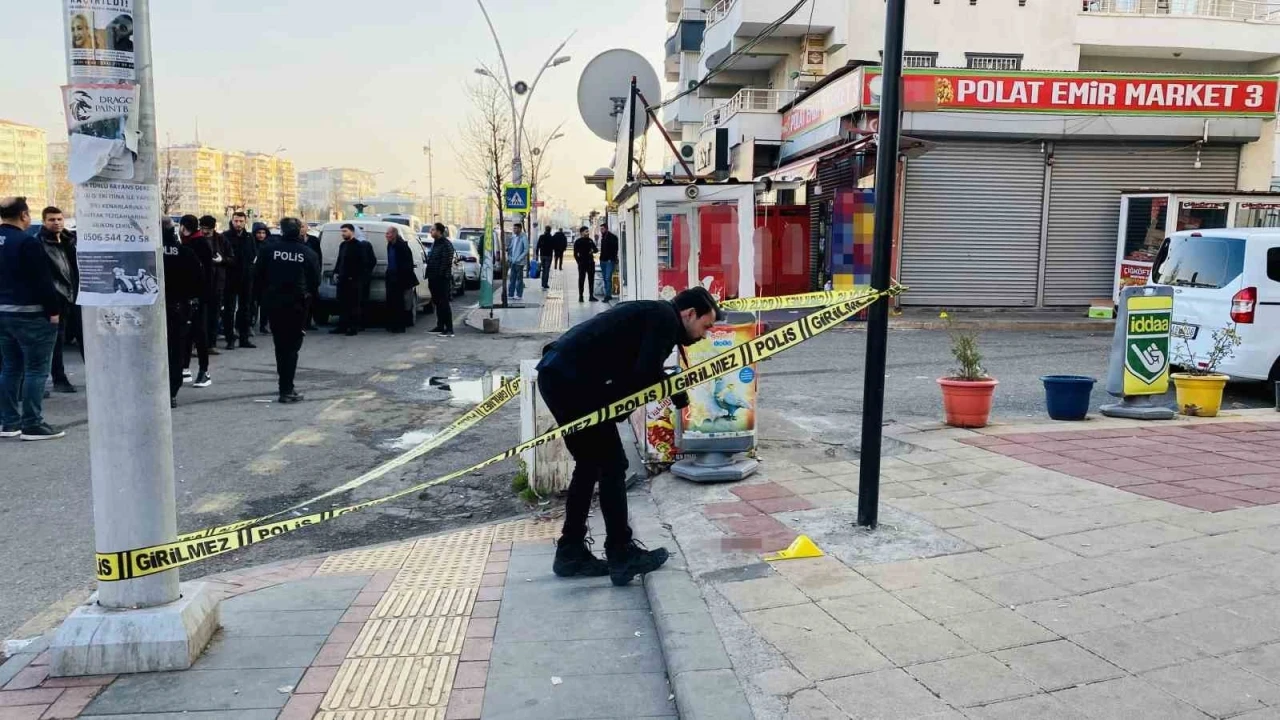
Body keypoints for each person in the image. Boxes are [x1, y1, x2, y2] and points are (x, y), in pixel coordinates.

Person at [537, 287, 721, 585]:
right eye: (706, 326)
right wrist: (672, 388)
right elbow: (644, 374)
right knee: (612, 465)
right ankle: (621, 553)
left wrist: (666, 386)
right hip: (572, 382)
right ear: (689, 314)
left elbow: (634, 373)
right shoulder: (664, 319)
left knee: (590, 464)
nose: (705, 335)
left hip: (559, 376)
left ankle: (571, 552)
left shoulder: (655, 315)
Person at [0, 197, 65, 441]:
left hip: (3, 313)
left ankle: (8, 422)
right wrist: (54, 311)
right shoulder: (27, 242)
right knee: (36, 370)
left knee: (10, 367)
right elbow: (42, 281)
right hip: (31, 314)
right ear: (24, 215)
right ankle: (32, 423)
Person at [255, 218, 319, 403]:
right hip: (297, 305)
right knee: (292, 349)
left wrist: (264, 297)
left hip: (274, 303)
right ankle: (287, 389)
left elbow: (257, 276)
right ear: (299, 231)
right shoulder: (307, 253)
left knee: (280, 346)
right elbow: (315, 281)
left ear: (281, 231)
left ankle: (284, 386)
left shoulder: (268, 250)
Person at [161, 218, 205, 408]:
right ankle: (171, 392)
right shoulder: (185, 252)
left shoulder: (147, 252)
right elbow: (199, 280)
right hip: (179, 308)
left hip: (151, 309)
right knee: (176, 351)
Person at [37, 207, 80, 394]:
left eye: (59, 219)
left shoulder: (70, 240)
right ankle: (58, 378)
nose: (56, 223)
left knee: (81, 338)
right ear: (44, 221)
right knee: (55, 342)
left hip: (74, 296)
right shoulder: (39, 243)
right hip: (56, 298)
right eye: (51, 219)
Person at [179, 215, 213, 388]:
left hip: (197, 296)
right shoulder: (189, 243)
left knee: (198, 334)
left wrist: (202, 295)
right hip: (189, 295)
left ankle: (204, 371)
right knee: (187, 333)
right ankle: (185, 368)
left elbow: (206, 273)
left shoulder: (197, 244)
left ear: (183, 227)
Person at [221, 211, 257, 349]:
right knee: (229, 310)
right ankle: (230, 339)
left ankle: (244, 338)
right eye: (236, 221)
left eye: (241, 221)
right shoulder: (225, 236)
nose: (238, 224)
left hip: (246, 278)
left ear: (245, 222)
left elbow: (253, 254)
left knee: (245, 309)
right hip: (230, 278)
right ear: (232, 221)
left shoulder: (249, 237)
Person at [331, 223, 371, 336]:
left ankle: (353, 328)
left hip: (354, 280)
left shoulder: (359, 246)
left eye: (345, 231)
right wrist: (336, 272)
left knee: (353, 305)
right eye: (342, 231)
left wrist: (355, 276)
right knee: (342, 304)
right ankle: (342, 326)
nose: (343, 234)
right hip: (342, 280)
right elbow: (340, 260)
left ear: (352, 232)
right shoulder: (343, 245)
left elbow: (363, 263)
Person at [198, 215, 229, 356]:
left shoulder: (221, 240)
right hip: (200, 283)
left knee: (214, 315)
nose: (205, 232)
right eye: (203, 228)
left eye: (208, 229)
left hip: (217, 282)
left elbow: (232, 258)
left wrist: (222, 260)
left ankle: (211, 344)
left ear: (213, 228)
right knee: (200, 316)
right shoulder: (196, 239)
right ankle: (198, 345)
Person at [383, 225, 418, 334]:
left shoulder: (402, 246)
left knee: (400, 303)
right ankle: (392, 324)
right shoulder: (390, 245)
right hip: (391, 277)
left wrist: (402, 278)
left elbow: (407, 264)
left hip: (400, 278)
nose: (386, 235)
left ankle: (400, 325)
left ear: (394, 234)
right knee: (391, 302)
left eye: (388, 233)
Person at [425, 222, 455, 337]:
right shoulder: (435, 243)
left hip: (441, 279)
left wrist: (440, 275)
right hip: (433, 278)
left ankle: (449, 328)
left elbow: (446, 261)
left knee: (444, 303)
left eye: (433, 229)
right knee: (437, 303)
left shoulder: (446, 244)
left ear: (439, 231)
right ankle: (440, 325)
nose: (431, 231)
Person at [251, 222, 271, 334]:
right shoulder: (251, 244)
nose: (261, 235)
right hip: (253, 279)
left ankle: (263, 325)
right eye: (259, 232)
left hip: (266, 279)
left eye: (263, 233)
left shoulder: (269, 245)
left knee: (265, 304)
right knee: (252, 304)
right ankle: (251, 324)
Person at [305, 226, 324, 330]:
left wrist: (318, 270)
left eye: (303, 226)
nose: (301, 229)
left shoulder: (313, 240)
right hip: (300, 275)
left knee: (312, 299)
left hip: (311, 275)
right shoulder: (295, 240)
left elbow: (318, 256)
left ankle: (308, 322)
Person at [573, 226, 598, 303]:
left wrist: (593, 251)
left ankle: (591, 296)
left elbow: (596, 250)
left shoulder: (590, 241)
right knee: (581, 280)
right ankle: (581, 296)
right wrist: (579, 262)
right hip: (582, 264)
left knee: (591, 280)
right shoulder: (578, 242)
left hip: (590, 263)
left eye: (588, 231)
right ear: (582, 233)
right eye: (586, 231)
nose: (588, 233)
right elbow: (575, 254)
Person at [599, 221, 620, 303]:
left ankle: (608, 296)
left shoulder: (612, 237)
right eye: (600, 229)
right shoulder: (603, 237)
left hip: (609, 261)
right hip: (603, 260)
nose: (601, 230)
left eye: (602, 229)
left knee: (608, 278)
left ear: (606, 229)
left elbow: (615, 249)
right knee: (605, 278)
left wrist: (612, 258)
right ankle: (608, 294)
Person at [507, 222, 527, 301]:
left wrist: (519, 258)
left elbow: (526, 249)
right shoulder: (513, 237)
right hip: (513, 261)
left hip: (519, 262)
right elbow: (510, 248)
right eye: (514, 228)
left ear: (520, 229)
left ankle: (519, 295)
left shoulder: (523, 237)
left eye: (515, 228)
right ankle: (511, 294)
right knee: (512, 278)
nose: (514, 230)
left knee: (519, 279)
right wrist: (510, 257)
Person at [536, 225, 555, 290]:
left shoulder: (541, 237)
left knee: (544, 269)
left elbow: (538, 245)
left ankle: (542, 283)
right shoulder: (551, 238)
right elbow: (553, 247)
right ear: (550, 230)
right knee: (546, 270)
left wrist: (537, 254)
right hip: (549, 255)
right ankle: (545, 284)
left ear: (545, 230)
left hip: (542, 255)